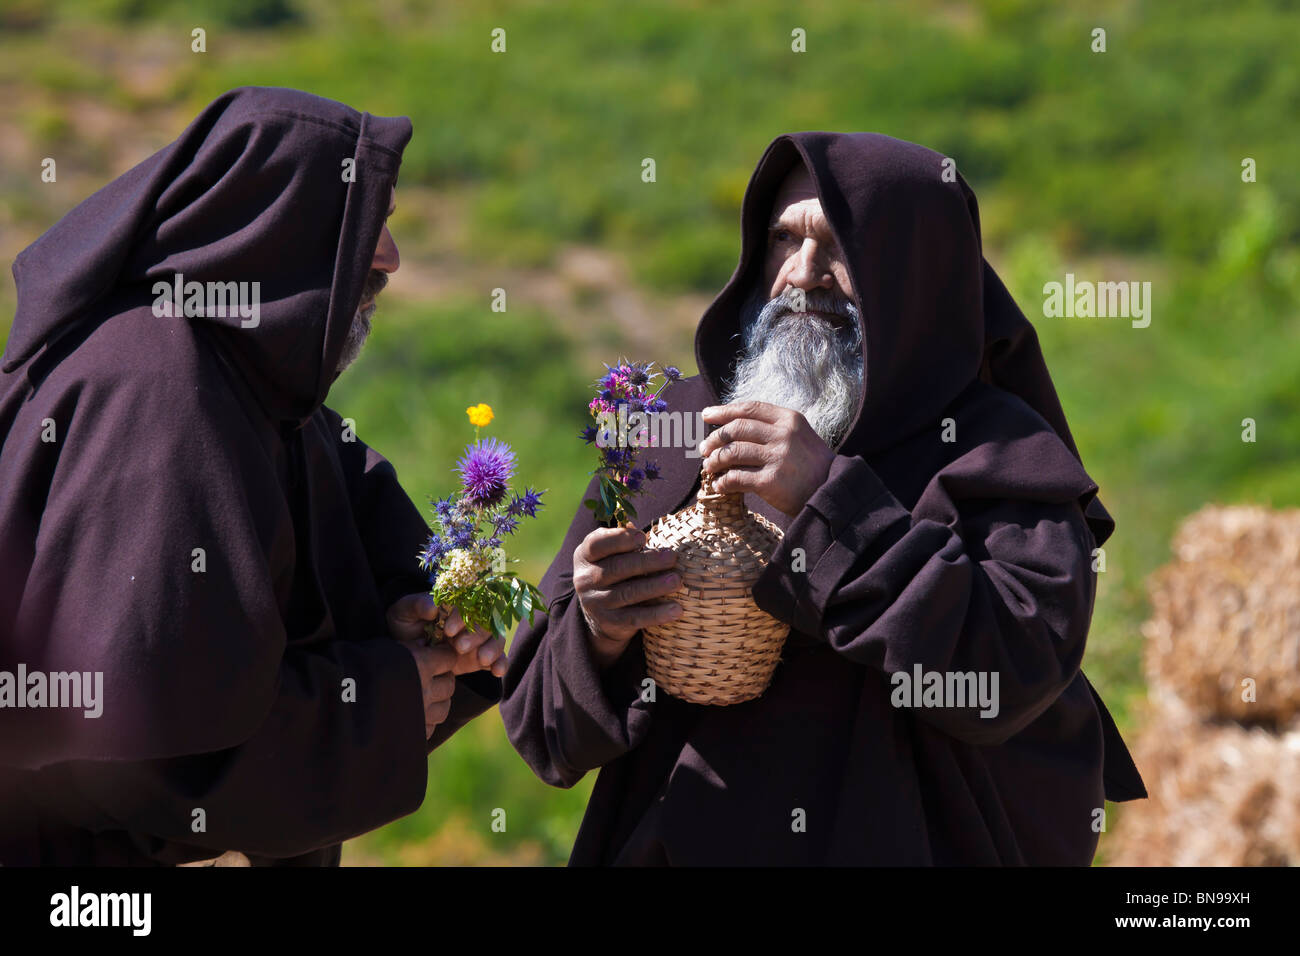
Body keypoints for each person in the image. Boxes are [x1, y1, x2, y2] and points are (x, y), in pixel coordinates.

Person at [502, 131, 1147, 865]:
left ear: (916, 272)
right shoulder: (671, 430)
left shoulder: (995, 453)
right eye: (783, 240)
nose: (803, 274)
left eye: (839, 246)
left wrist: (831, 504)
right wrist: (599, 635)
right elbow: (540, 730)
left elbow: (1009, 679)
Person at [0, 87, 503, 866]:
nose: (391, 259)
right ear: (279, 221)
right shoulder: (158, 392)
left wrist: (413, 622)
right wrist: (382, 704)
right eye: (370, 225)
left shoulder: (244, 380)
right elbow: (127, 744)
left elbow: (332, 558)